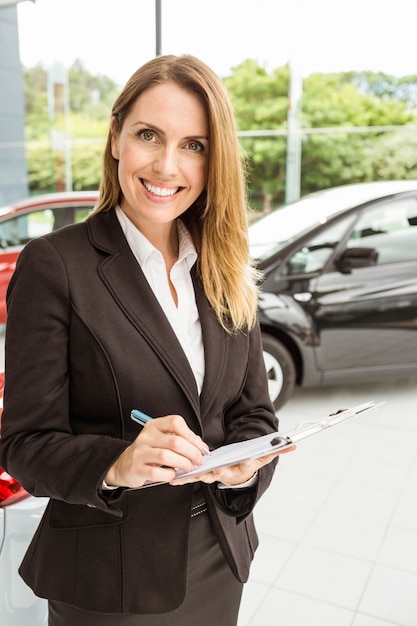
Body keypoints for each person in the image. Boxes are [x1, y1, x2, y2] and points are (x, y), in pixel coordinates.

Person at [0, 54, 294, 626]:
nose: (166, 164)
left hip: (217, 552)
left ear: (216, 160)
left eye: (194, 145)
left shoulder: (226, 265)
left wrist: (247, 465)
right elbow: (23, 445)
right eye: (148, 135)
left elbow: (253, 412)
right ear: (116, 139)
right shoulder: (55, 265)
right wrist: (119, 463)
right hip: (109, 578)